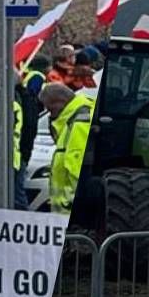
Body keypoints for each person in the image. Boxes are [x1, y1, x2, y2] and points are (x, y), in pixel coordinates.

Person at [41, 82, 94, 215]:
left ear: (61, 103)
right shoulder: (71, 121)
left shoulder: (80, 121)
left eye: (50, 109)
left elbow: (76, 168)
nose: (50, 115)